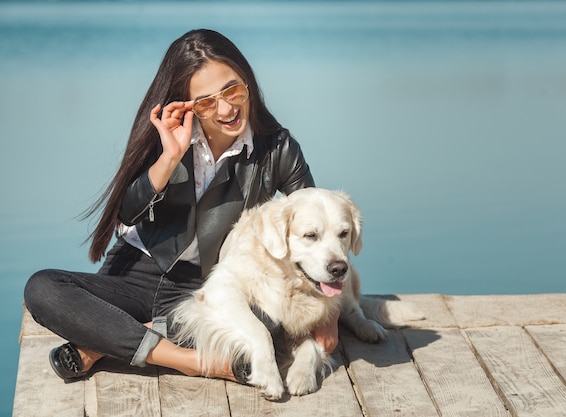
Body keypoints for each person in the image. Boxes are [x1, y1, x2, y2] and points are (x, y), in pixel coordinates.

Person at [23, 29, 338, 382]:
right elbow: (127, 213)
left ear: (247, 82)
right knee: (41, 288)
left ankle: (100, 344)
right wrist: (170, 157)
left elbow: (320, 229)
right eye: (206, 102)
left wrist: (328, 316)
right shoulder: (168, 137)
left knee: (272, 319)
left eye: (233, 89)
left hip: (207, 288)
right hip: (133, 275)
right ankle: (188, 360)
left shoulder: (278, 149)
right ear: (187, 104)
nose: (226, 108)